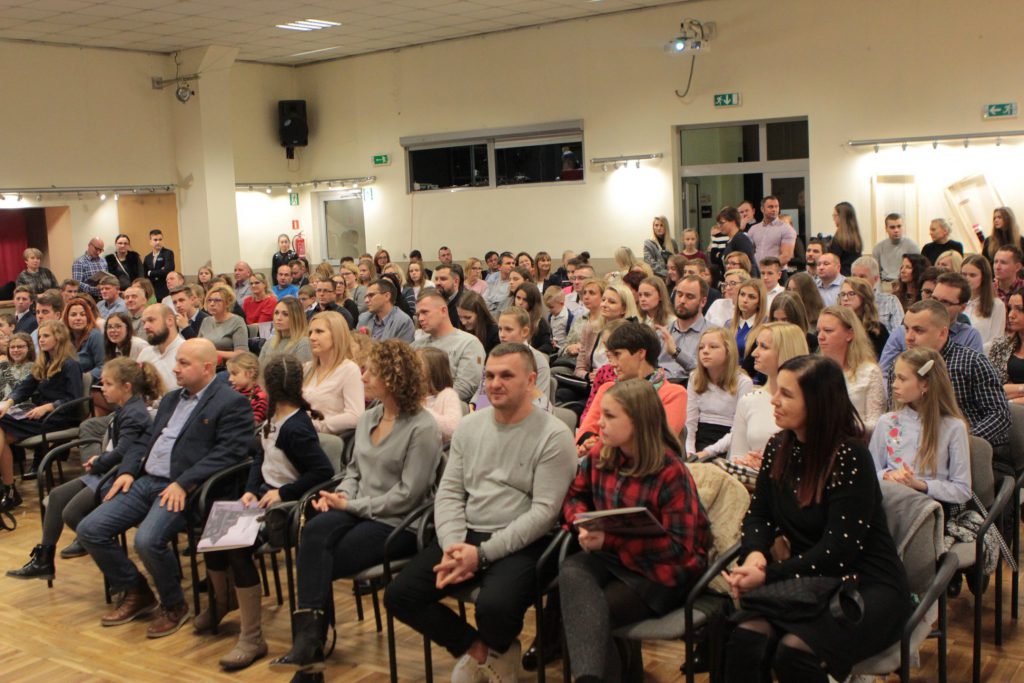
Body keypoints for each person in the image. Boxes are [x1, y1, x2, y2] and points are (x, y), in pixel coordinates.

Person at [383, 343, 577, 683]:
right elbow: (450, 492)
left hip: (525, 542)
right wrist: (453, 546)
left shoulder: (554, 435)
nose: (494, 384)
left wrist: (482, 555)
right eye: (489, 376)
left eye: (506, 376)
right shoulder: (470, 426)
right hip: (466, 535)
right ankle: (482, 652)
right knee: (401, 596)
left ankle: (499, 649)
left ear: (531, 381)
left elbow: (544, 513)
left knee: (495, 608)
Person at [722, 354, 911, 683]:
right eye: (777, 391)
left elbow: (839, 550)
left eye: (786, 394)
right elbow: (759, 515)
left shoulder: (850, 456)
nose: (774, 401)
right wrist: (754, 555)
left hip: (865, 582)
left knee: (793, 652)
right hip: (809, 577)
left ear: (817, 403)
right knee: (745, 638)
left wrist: (767, 576)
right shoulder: (779, 446)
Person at [76, 338, 252, 637]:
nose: (175, 369)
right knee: (90, 529)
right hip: (147, 479)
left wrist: (184, 483)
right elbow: (145, 440)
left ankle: (174, 605)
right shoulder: (171, 400)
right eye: (177, 362)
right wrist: (128, 471)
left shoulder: (231, 402)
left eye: (184, 363)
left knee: (147, 541)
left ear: (207, 368)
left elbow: (230, 453)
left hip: (186, 487)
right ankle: (137, 591)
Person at [560, 379, 711, 682]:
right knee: (572, 572)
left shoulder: (670, 471)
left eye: (610, 416)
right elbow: (575, 496)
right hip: (614, 557)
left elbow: (680, 549)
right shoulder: (602, 454)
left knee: (589, 614)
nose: (599, 423)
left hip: (661, 570)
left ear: (638, 422)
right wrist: (581, 523)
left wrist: (609, 540)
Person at [199, 354, 333, 670]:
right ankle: (223, 601)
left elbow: (323, 472)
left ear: (268, 386)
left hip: (288, 508)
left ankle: (252, 637)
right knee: (213, 534)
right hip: (263, 499)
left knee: (238, 548)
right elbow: (260, 458)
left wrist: (283, 493)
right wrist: (250, 488)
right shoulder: (274, 417)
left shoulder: (296, 426)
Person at [7, 357, 161, 582]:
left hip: (119, 474)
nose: (101, 388)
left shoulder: (135, 412)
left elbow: (123, 452)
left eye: (107, 384)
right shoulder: (124, 409)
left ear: (126, 387)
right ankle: (44, 559)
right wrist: (100, 461)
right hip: (107, 469)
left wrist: (99, 462)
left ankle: (110, 558)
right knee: (57, 496)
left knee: (72, 513)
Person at [889, 300, 1011, 473]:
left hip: (973, 456)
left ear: (942, 333)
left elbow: (999, 415)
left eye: (918, 330)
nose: (909, 337)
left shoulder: (972, 362)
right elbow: (895, 414)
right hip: (914, 455)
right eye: (906, 329)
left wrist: (957, 441)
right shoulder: (900, 366)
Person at [0, 321, 84, 509]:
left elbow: (75, 399)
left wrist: (48, 406)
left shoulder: (70, 364)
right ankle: (9, 490)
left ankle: (9, 491)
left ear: (59, 338)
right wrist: (9, 402)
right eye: (40, 336)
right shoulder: (44, 362)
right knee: (2, 434)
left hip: (61, 417)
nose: (41, 340)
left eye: (46, 336)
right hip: (42, 416)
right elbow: (25, 387)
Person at [870, 348, 971, 504]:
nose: (894, 385)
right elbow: (870, 472)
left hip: (932, 505)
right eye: (895, 377)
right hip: (891, 501)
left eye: (902, 379)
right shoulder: (886, 422)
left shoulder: (954, 427)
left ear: (925, 385)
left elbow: (962, 490)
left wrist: (921, 485)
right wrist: (887, 475)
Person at [576, 321, 687, 453]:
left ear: (641, 353)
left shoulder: (673, 394)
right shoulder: (608, 388)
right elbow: (584, 432)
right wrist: (591, 444)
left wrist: (601, 447)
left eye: (618, 354)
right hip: (601, 462)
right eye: (611, 356)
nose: (613, 364)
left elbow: (658, 444)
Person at [729, 322, 809, 477]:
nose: (754, 353)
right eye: (756, 345)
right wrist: (746, 462)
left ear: (785, 351)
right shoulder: (748, 400)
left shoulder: (808, 403)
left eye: (763, 347)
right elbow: (736, 457)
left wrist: (768, 464)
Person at [880, 271, 985, 373]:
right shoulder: (902, 332)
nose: (936, 305)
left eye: (945, 302)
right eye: (934, 298)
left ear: (962, 308)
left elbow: (972, 373)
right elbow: (884, 372)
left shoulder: (969, 336)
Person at [685, 326, 754, 458]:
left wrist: (708, 452)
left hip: (729, 444)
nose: (705, 351)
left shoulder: (743, 382)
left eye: (713, 347)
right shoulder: (695, 377)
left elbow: (739, 430)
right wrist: (689, 451)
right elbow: (690, 421)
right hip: (700, 438)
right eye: (701, 347)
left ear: (728, 351)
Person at [817, 305, 885, 432]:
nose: (820, 336)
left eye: (828, 330)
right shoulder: (816, 371)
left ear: (849, 334)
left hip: (855, 440)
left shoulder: (870, 372)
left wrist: (843, 426)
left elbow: (876, 424)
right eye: (818, 331)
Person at [413, 289, 486, 402]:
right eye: (418, 314)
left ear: (443, 311)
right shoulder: (416, 345)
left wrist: (428, 403)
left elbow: (465, 388)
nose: (420, 319)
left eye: (425, 312)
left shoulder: (469, 343)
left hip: (449, 407)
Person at [303, 311, 365, 434]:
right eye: (310, 333)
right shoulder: (307, 368)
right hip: (302, 434)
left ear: (336, 335)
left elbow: (355, 416)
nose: (312, 337)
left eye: (319, 332)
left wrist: (317, 426)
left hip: (326, 439)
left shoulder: (349, 370)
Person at [575, 282, 638, 382]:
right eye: (603, 300)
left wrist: (605, 375)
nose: (604, 304)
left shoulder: (632, 334)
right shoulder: (590, 328)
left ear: (624, 309)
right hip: (591, 383)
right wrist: (588, 375)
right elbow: (579, 368)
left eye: (611, 302)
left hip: (619, 384)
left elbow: (634, 371)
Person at [960, 254, 1006, 350]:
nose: (966, 279)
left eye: (972, 275)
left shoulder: (997, 305)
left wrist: (971, 351)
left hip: (981, 356)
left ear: (984, 277)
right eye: (964, 274)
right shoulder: (956, 302)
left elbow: (996, 341)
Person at [420, 346, 464, 444]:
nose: (411, 367)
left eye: (418, 364)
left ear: (433, 370)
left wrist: (420, 410)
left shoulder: (448, 395)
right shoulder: (412, 395)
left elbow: (452, 429)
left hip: (437, 449)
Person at [136, 304, 185, 391]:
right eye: (144, 322)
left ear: (170, 320)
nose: (145, 326)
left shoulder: (187, 351)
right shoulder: (145, 353)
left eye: (151, 320)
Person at [851, 255, 905, 333]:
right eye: (854, 276)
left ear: (876, 279)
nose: (857, 280)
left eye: (862, 277)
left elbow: (900, 333)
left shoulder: (890, 301)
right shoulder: (845, 300)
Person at [988, 290, 1024, 404]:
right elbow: (993, 389)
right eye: (1010, 308)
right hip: (1004, 409)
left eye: (1020, 309)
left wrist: (1012, 401)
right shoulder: (1000, 345)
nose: (1011, 315)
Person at [839, 276, 889, 357]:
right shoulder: (836, 325)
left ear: (863, 296)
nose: (845, 298)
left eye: (851, 294)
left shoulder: (877, 329)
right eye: (843, 294)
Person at [198, 283, 248, 364]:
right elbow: (198, 345)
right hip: (206, 363)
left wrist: (213, 352)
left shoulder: (237, 321)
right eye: (209, 300)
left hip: (227, 366)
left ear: (227, 303)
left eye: (217, 300)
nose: (212, 304)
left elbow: (242, 354)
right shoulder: (206, 321)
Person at [258, 297, 312, 368]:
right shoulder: (269, 342)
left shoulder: (304, 343)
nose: (279, 318)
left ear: (296, 318)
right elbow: (259, 370)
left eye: (285, 314)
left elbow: (303, 373)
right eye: (276, 313)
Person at [356, 278, 415, 342]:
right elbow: (356, 345)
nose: (366, 300)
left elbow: (402, 348)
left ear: (387, 296)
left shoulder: (403, 322)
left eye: (371, 295)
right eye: (366, 297)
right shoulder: (364, 318)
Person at [748, 195, 796, 267]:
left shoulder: (787, 229)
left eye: (776, 206)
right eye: (770, 207)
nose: (774, 209)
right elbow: (748, 252)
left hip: (777, 271)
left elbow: (786, 256)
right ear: (762, 209)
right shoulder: (753, 229)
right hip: (757, 271)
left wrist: (768, 269)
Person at [63, 296, 105, 375]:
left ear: (88, 318)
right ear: (66, 318)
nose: (78, 318)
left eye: (83, 315)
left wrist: (84, 377)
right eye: (73, 315)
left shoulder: (95, 336)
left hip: (88, 380)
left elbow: (102, 367)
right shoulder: (63, 336)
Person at [730, 278, 768, 360]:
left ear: (760, 302)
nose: (745, 300)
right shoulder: (728, 324)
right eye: (742, 294)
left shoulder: (766, 326)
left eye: (752, 297)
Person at [226, 352, 268, 424]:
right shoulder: (231, 392)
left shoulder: (260, 398)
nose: (230, 379)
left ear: (251, 373)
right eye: (230, 374)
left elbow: (253, 425)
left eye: (234, 374)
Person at [513, 282, 554, 354]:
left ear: (532, 302)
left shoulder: (540, 322)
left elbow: (547, 346)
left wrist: (531, 354)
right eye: (518, 298)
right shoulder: (509, 317)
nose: (520, 302)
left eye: (525, 300)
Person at [717, 206, 759, 277]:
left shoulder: (740, 239)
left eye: (722, 223)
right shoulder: (731, 241)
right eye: (718, 223)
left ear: (733, 222)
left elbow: (749, 263)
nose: (719, 226)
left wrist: (752, 282)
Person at [456, 290, 500, 355]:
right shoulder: (460, 327)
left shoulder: (494, 333)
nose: (463, 322)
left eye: (468, 317)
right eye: (460, 317)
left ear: (480, 314)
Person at [828, 201, 864, 275]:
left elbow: (833, 263)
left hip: (841, 277)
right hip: (854, 275)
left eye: (835, 215)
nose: (833, 219)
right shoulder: (856, 239)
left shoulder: (838, 239)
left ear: (841, 217)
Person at [143, 229, 175, 300]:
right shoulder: (147, 257)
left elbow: (168, 270)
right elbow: (144, 274)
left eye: (160, 239)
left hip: (164, 289)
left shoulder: (168, 253)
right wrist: (160, 270)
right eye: (155, 240)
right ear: (150, 242)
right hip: (152, 290)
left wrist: (150, 273)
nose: (158, 242)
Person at [0, 333, 34, 400]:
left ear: (29, 348)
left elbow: (20, 390)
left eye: (20, 347)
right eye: (12, 347)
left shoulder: (35, 368)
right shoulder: (3, 366)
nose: (16, 350)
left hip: (23, 404)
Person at [433, 263, 466, 331]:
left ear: (456, 282)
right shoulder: (434, 301)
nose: (437, 283)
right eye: (436, 279)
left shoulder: (465, 303)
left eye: (443, 279)